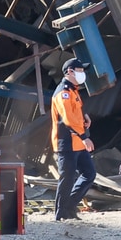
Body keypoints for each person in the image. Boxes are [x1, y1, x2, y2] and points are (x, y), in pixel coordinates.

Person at [51, 57, 96, 221]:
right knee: (67, 178)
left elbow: (75, 111)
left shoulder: (73, 90)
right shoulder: (62, 92)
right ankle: (61, 213)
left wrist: (84, 116)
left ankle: (70, 207)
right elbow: (67, 119)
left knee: (89, 174)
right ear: (70, 71)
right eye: (80, 70)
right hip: (67, 142)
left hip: (77, 143)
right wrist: (84, 137)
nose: (82, 74)